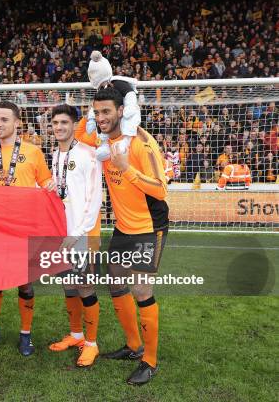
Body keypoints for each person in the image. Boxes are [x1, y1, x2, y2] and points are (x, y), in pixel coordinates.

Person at [91, 87, 169, 385]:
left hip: (149, 227)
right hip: (123, 226)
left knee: (141, 291)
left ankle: (149, 361)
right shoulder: (105, 140)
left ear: (121, 110)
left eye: (106, 111)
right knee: (114, 278)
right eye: (97, 112)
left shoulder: (141, 143)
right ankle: (133, 345)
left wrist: (127, 169)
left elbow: (161, 190)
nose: (101, 118)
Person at [0, 101, 54, 356]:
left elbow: (46, 183)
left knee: (25, 284)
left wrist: (53, 187)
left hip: (23, 228)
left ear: (18, 122)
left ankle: (26, 335)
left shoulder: (33, 152)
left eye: (4, 119)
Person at [47, 104, 103, 367]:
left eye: (64, 123)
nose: (59, 127)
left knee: (85, 286)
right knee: (69, 286)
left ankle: (91, 344)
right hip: (63, 233)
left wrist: (78, 232)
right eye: (55, 123)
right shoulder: (55, 154)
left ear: (73, 125)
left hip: (83, 234)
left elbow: (94, 198)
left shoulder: (88, 154)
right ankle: (76, 334)